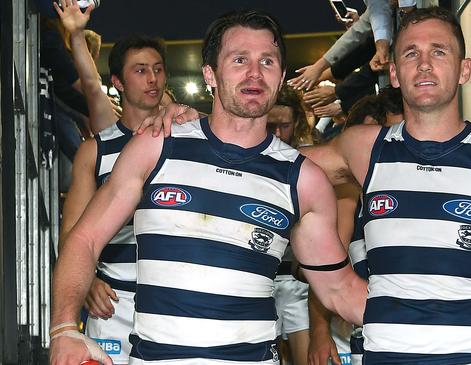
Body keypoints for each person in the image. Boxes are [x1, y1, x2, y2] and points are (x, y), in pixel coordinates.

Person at [49, 9, 367, 365]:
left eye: (267, 61)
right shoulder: (158, 147)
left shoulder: (302, 178)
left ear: (280, 78)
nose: (254, 73)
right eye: (239, 60)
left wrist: (429, 320)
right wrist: (63, 328)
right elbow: (85, 239)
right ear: (210, 75)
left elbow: (339, 289)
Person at [301, 7, 471, 364]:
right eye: (410, 53)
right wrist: (209, 134)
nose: (424, 64)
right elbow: (274, 165)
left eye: (439, 51)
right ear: (394, 73)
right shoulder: (365, 149)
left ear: (464, 69)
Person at [54, 0, 168, 363]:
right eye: (140, 70)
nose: (152, 79)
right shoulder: (99, 147)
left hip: (173, 297)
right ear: (118, 81)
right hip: (113, 302)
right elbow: (72, 232)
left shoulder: (187, 136)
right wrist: (86, 280)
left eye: (158, 69)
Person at [267, 85, 313, 365]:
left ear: (296, 122)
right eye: (270, 125)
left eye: (283, 125)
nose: (277, 134)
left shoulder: (311, 163)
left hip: (299, 281)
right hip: (261, 280)